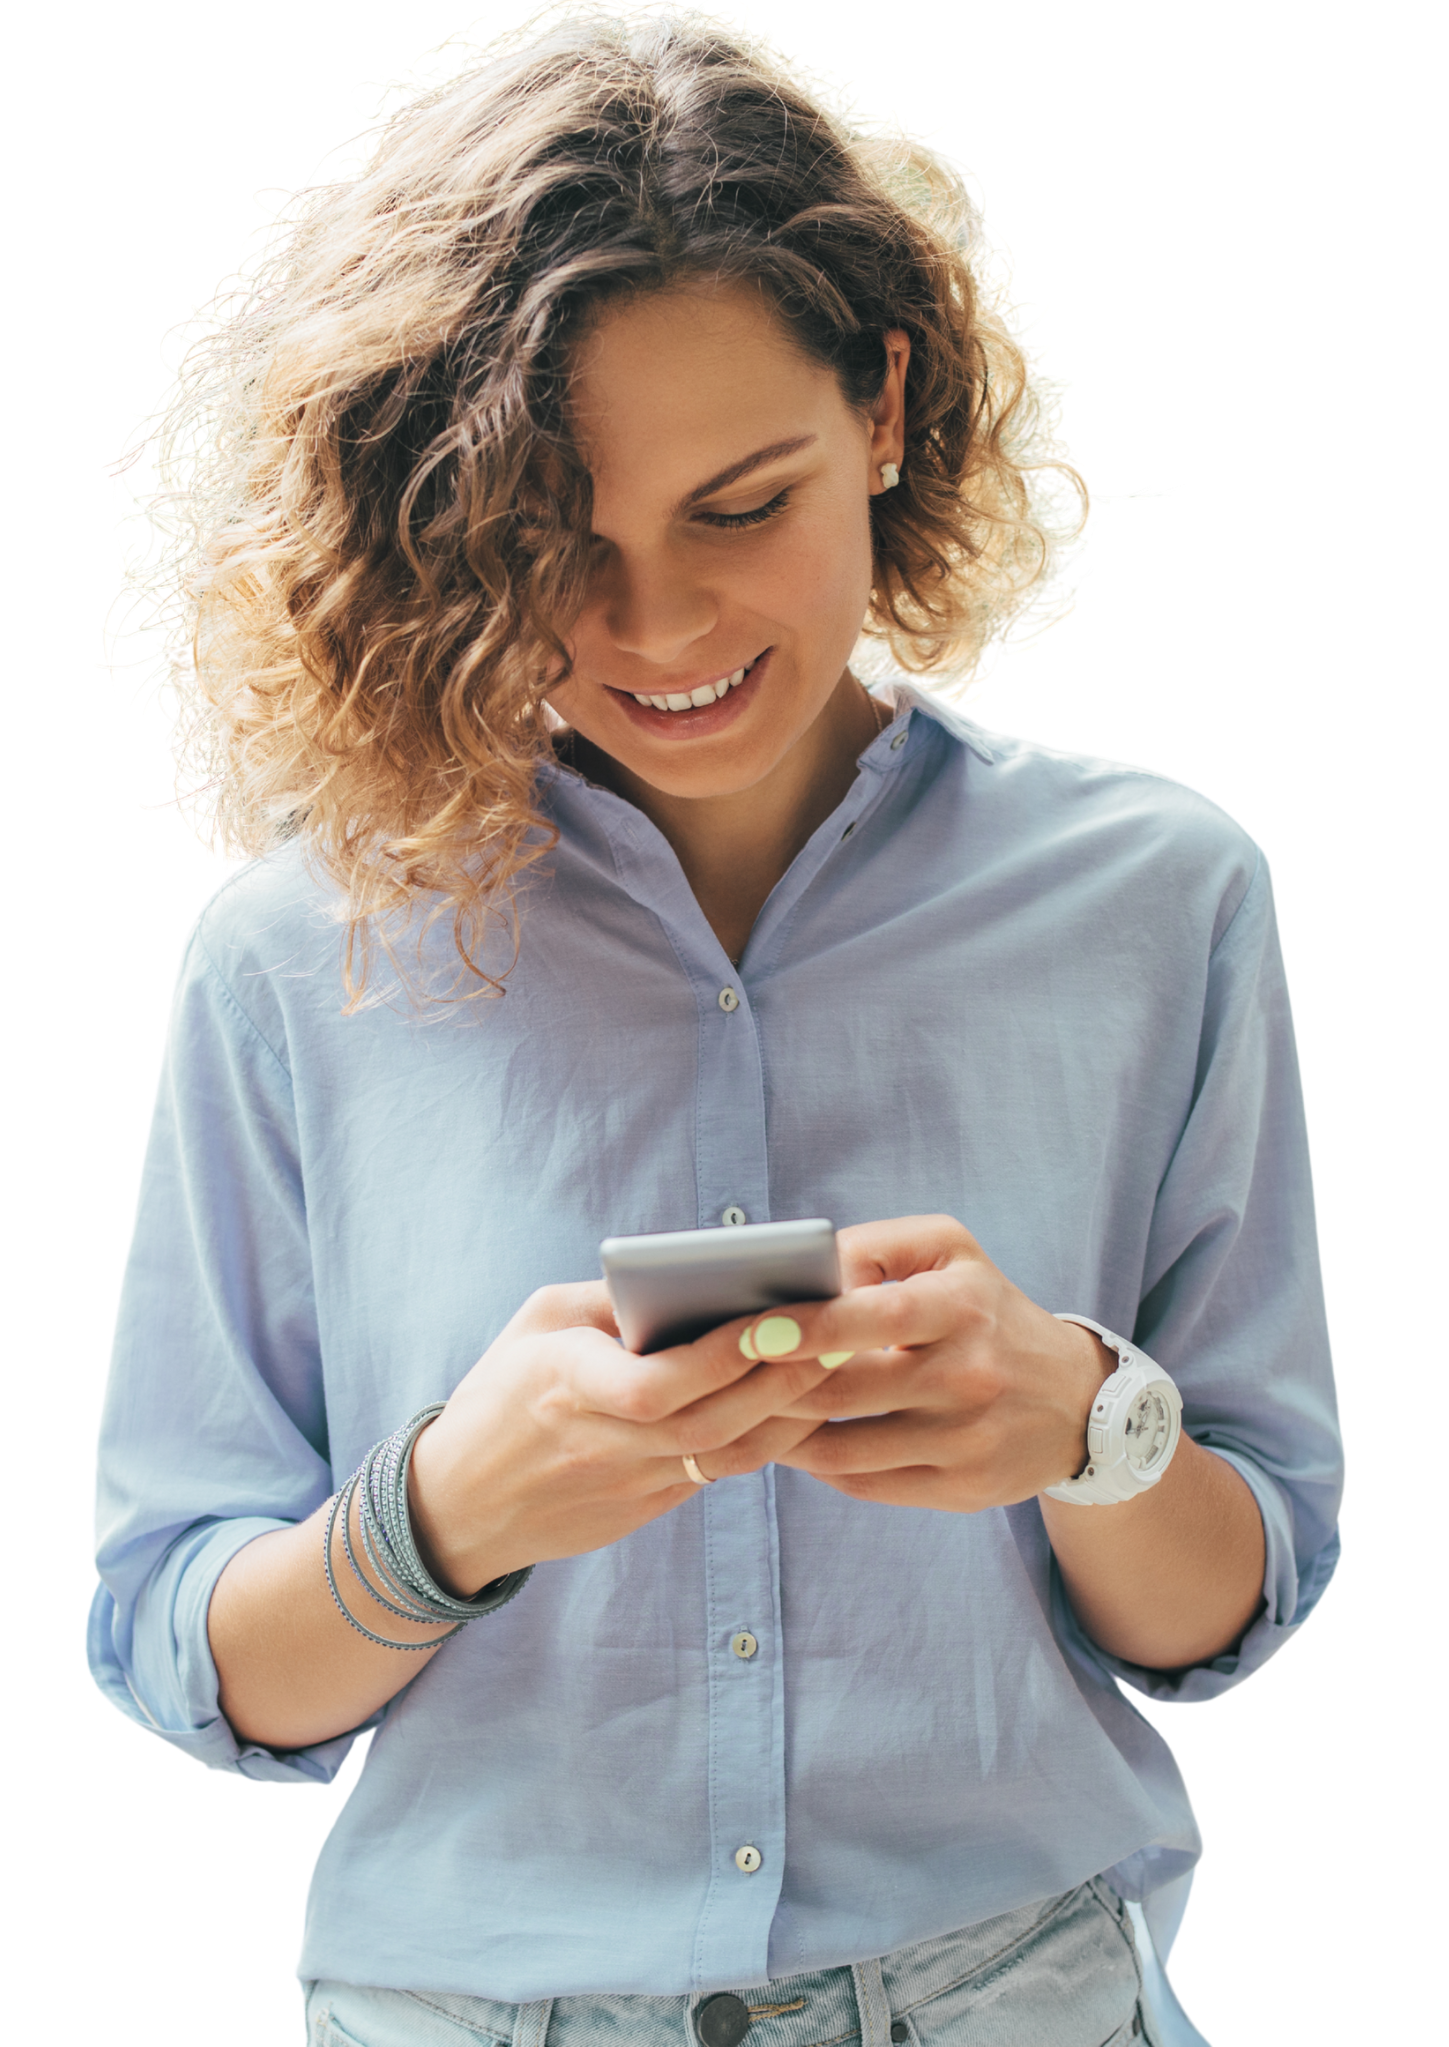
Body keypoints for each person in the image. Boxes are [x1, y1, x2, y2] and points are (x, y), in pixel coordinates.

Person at [87, 7, 1346, 2045]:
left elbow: (1228, 1608)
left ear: (883, 407)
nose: (657, 632)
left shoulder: (1156, 905)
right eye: (554, 547)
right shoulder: (300, 953)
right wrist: (447, 1517)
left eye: (739, 504)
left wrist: (1083, 1425)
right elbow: (177, 1650)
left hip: (1012, 1988)